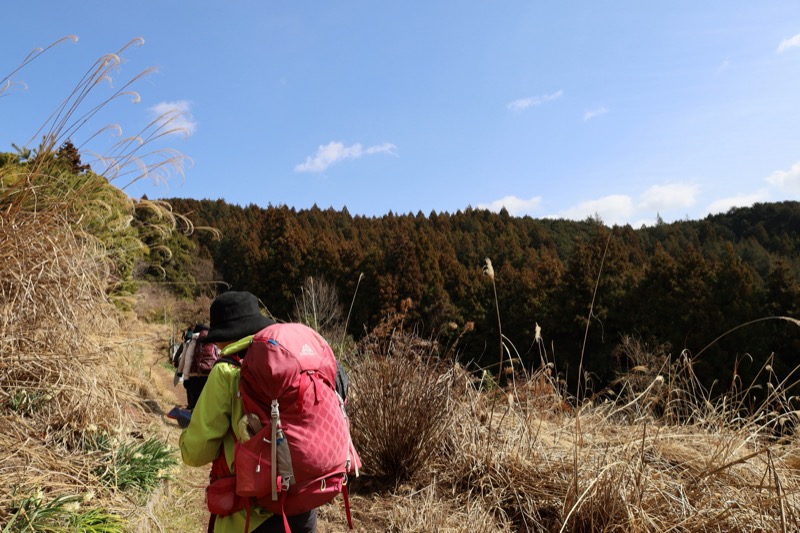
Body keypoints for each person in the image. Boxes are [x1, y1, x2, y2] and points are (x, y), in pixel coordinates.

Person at [179, 291, 318, 533]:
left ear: (224, 336)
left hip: (253, 514)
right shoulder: (295, 359)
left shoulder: (227, 371)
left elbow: (195, 452)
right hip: (305, 503)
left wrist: (187, 433)